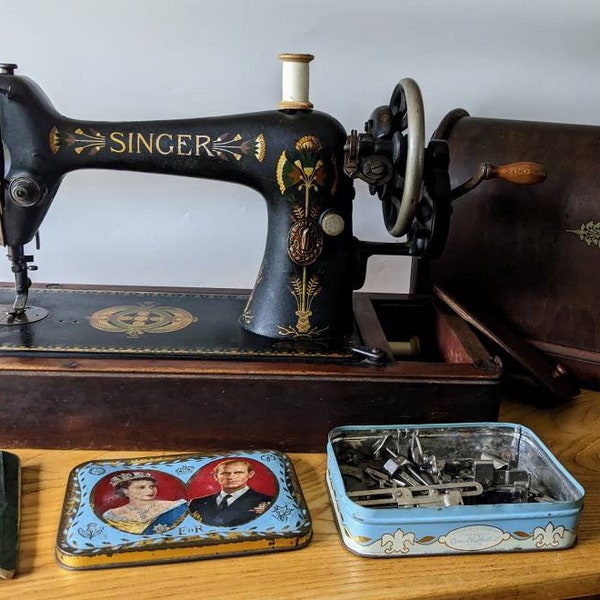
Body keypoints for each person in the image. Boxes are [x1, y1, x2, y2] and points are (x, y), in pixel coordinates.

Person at [189, 459, 274, 527]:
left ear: (250, 474)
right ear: (216, 476)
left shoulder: (267, 501)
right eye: (225, 473)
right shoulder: (197, 503)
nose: (231, 477)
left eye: (238, 473)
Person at [102, 471, 187, 535]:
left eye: (152, 486)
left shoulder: (174, 506)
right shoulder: (112, 514)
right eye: (141, 487)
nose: (150, 491)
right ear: (125, 491)